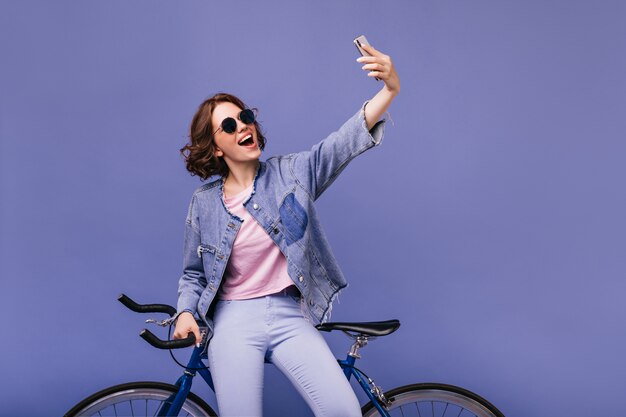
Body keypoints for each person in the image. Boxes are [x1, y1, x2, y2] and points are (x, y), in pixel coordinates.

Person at [172, 42, 400, 417]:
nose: (243, 125)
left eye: (244, 116)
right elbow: (193, 275)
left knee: (344, 412)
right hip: (234, 319)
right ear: (215, 148)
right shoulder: (204, 203)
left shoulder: (292, 173)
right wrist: (184, 312)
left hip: (289, 315)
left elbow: (341, 144)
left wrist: (390, 89)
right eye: (229, 125)